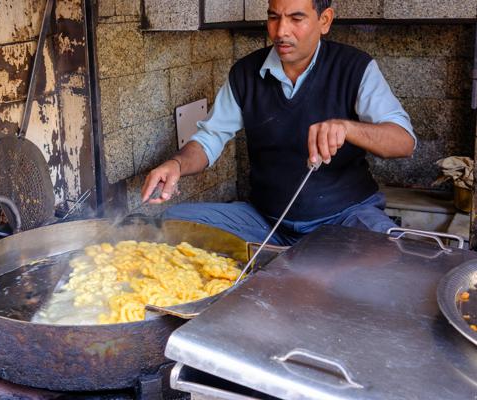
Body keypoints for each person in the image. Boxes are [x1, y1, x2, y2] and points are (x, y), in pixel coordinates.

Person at [141, 0, 416, 246]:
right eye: (274, 17)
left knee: (392, 257)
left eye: (296, 19)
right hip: (266, 223)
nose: (281, 31)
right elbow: (209, 138)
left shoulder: (355, 67)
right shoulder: (245, 74)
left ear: (325, 20)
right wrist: (176, 164)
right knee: (173, 222)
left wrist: (347, 128)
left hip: (346, 218)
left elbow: (403, 142)